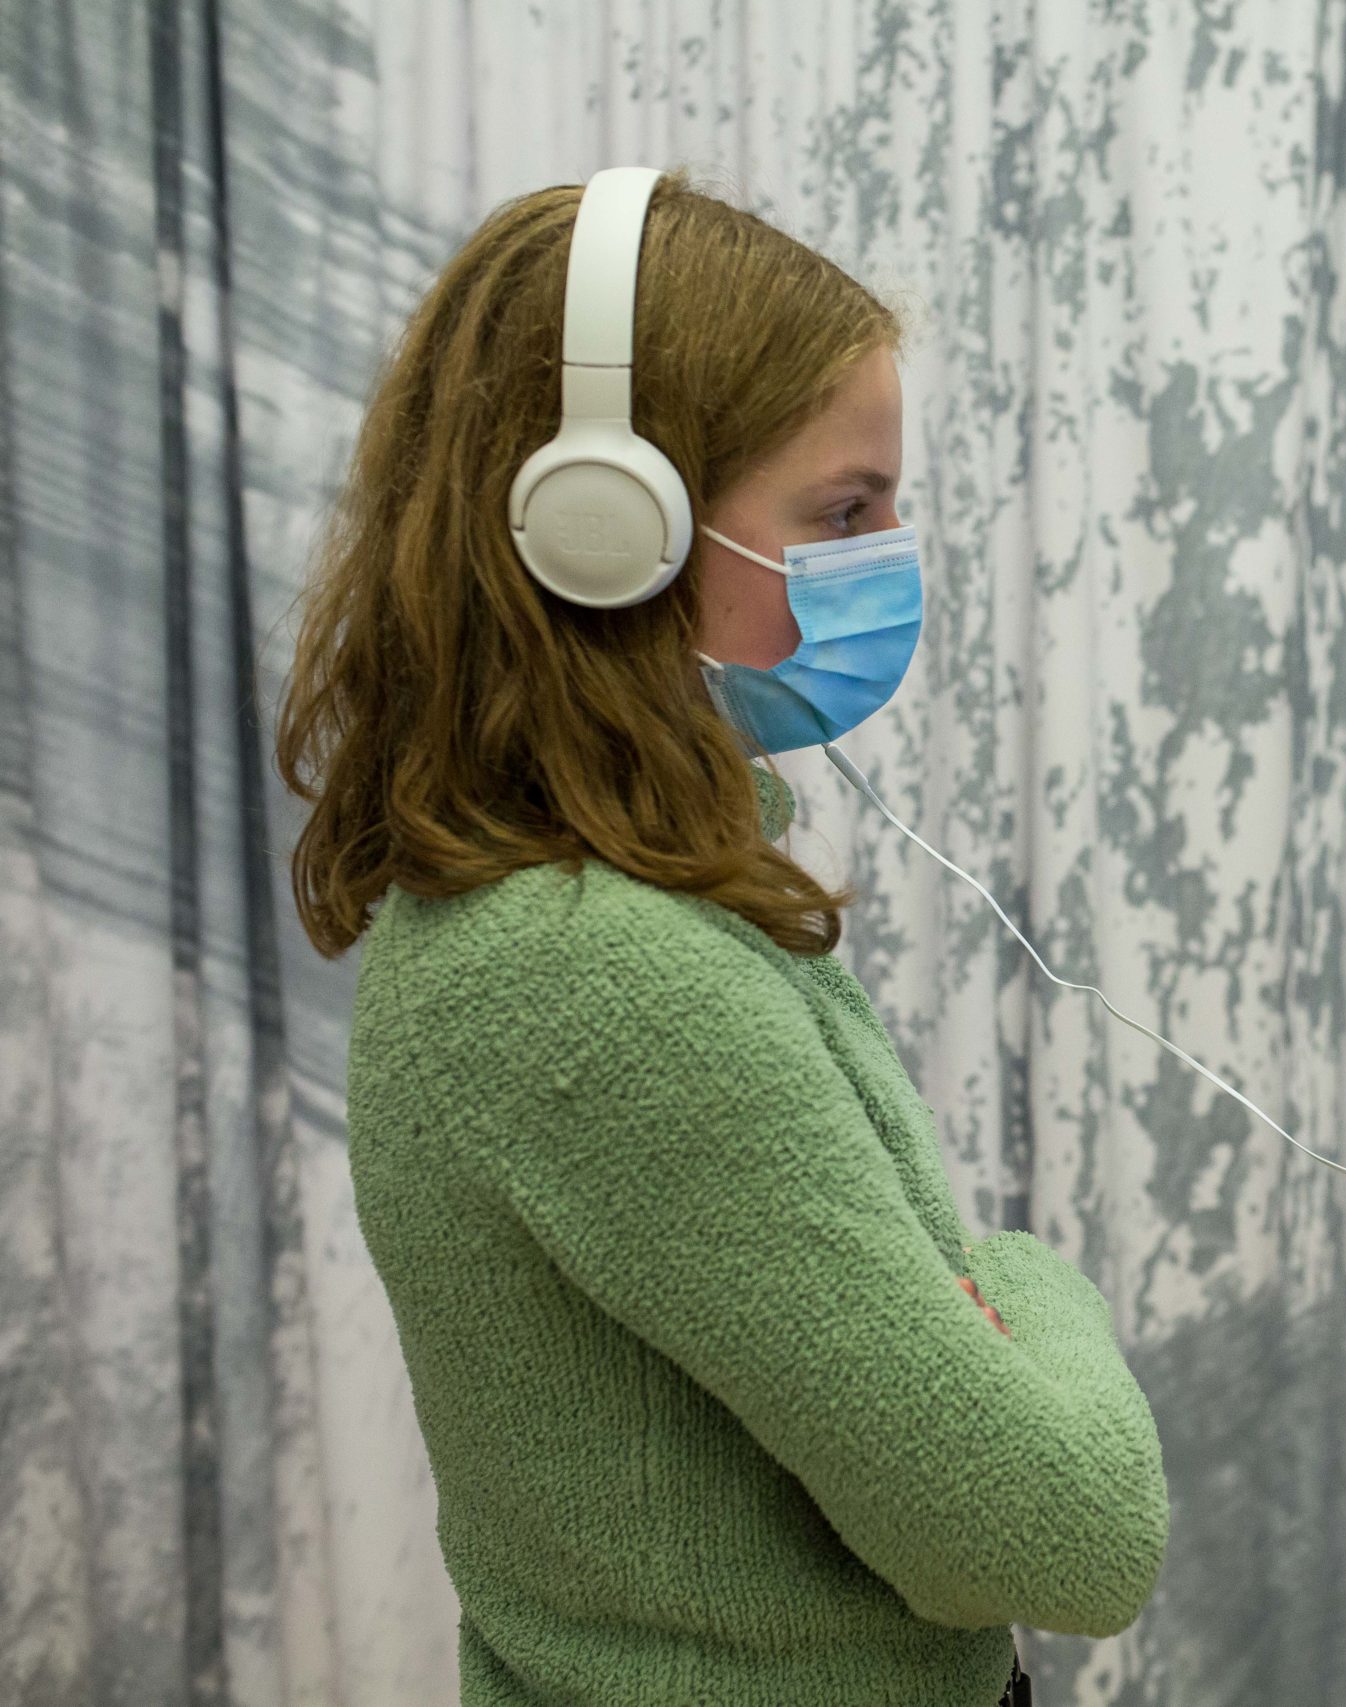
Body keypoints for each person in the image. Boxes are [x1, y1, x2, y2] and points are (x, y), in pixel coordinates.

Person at [276, 168, 1164, 1707]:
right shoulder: (598, 973)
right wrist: (1024, 1282)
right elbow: (1074, 1531)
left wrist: (966, 1320)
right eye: (843, 510)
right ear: (604, 531)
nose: (892, 553)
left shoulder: (553, 903)